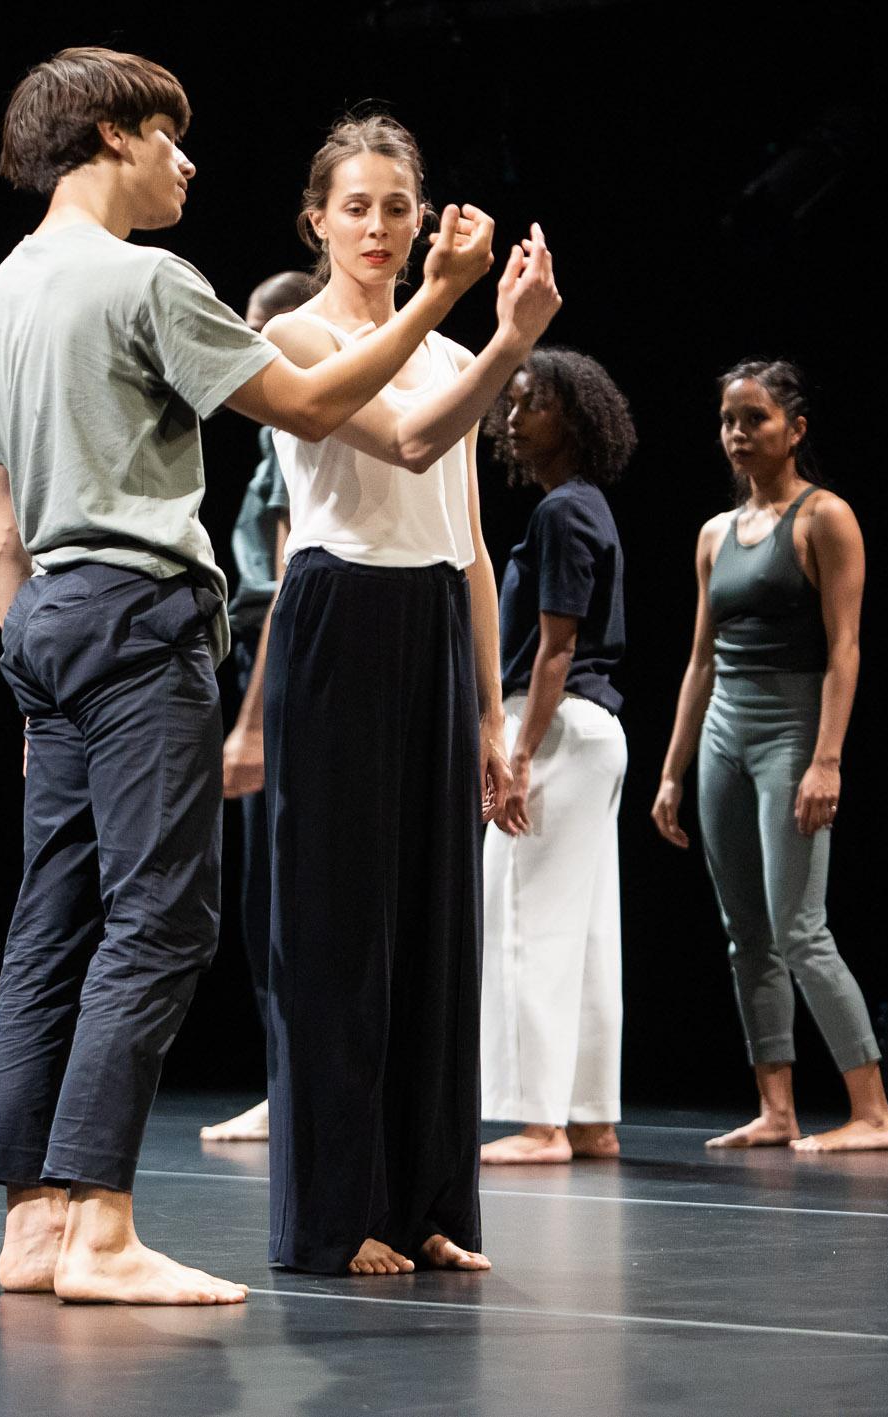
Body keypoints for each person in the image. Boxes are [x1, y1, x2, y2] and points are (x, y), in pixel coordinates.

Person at [0, 51, 500, 1306]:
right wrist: (439, 299)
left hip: (44, 619)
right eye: (168, 137)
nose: (186, 162)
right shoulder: (150, 279)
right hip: (140, 611)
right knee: (161, 919)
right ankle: (100, 1227)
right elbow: (310, 407)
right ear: (109, 136)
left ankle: (32, 1225)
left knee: (53, 922)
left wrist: (32, 675)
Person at [256, 113, 561, 1275]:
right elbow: (407, 443)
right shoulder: (296, 332)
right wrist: (494, 332)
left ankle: (426, 1197)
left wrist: (492, 719)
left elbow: (473, 547)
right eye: (355, 206)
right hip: (341, 616)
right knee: (341, 936)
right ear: (316, 220)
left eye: (397, 205)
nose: (377, 227)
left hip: (432, 622)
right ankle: (341, 1213)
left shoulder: (443, 347)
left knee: (433, 929)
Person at [649, 359, 888, 1153]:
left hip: (794, 728)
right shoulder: (713, 534)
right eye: (728, 419)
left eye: (754, 418)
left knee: (800, 928)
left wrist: (827, 759)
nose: (736, 433)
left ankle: (873, 1111)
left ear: (794, 429)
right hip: (725, 732)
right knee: (745, 931)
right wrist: (672, 769)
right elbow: (699, 659)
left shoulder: (824, 517)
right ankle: (778, 1107)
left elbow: (847, 646)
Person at [474, 348, 638, 1165]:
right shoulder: (586, 507)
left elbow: (554, 649)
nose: (511, 416)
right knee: (583, 929)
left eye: (528, 402)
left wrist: (518, 754)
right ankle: (588, 1116)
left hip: (560, 729)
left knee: (521, 917)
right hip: (589, 733)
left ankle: (539, 1120)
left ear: (569, 415)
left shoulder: (562, 514)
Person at [201, 270, 317, 1147]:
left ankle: (292, 1087)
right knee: (267, 885)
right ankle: (289, 1081)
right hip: (256, 664)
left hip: (274, 673)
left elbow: (285, 588)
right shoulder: (278, 436)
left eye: (255, 326)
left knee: (273, 886)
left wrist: (250, 723)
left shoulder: (289, 440)